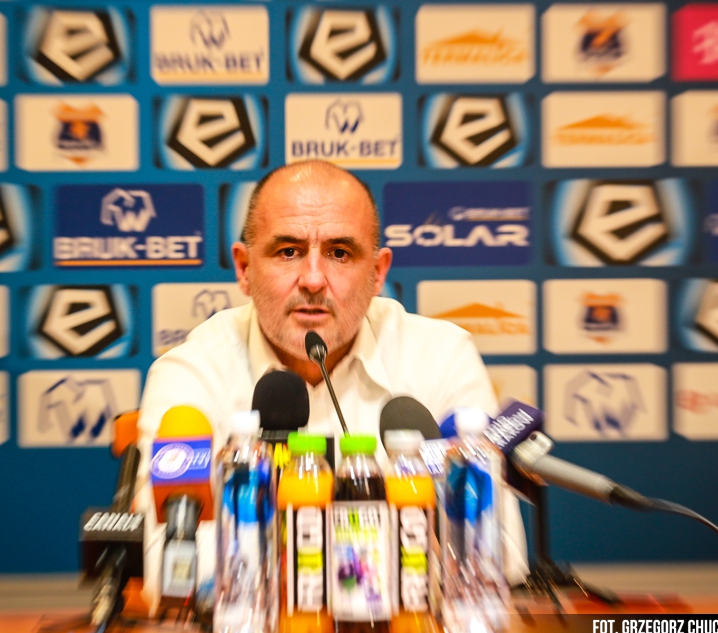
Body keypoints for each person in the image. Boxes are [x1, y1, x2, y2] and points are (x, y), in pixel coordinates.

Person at [136, 160, 528, 607]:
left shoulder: (441, 357)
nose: (313, 280)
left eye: (340, 253)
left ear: (378, 273)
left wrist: (283, 558)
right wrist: (377, 552)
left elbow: (497, 551)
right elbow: (164, 559)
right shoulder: (192, 372)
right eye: (288, 251)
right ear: (244, 268)